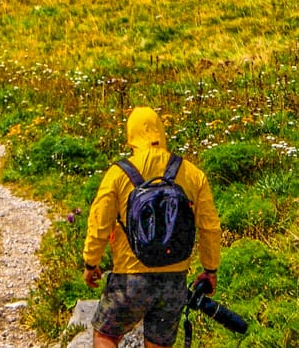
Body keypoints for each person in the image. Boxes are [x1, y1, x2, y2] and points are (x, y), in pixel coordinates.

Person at [82, 107, 222, 348]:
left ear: (131, 134)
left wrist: (91, 263)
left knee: (106, 334)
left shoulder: (117, 174)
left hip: (130, 275)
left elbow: (99, 224)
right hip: (174, 277)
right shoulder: (191, 173)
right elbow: (210, 227)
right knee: (158, 343)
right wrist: (210, 269)